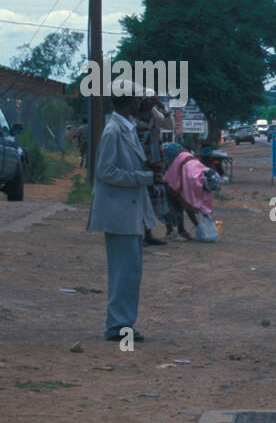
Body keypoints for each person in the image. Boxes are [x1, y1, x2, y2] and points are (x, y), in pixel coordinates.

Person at [86, 90, 159, 342]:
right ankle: (118, 325)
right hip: (119, 212)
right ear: (128, 102)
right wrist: (144, 177)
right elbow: (106, 172)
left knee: (128, 272)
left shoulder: (124, 128)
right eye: (137, 100)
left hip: (127, 211)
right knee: (124, 273)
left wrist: (145, 168)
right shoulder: (113, 131)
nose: (140, 104)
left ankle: (121, 323)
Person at [162, 143, 215, 238]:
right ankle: (170, 229)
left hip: (183, 163)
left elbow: (202, 204)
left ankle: (180, 229)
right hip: (175, 164)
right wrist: (198, 226)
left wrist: (206, 220)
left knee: (180, 201)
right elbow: (188, 203)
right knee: (172, 200)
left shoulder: (208, 181)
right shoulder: (194, 179)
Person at [136, 96, 168, 246]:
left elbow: (170, 125)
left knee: (150, 199)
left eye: (153, 101)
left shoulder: (154, 115)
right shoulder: (133, 118)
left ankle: (148, 233)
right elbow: (136, 144)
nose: (151, 103)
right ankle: (139, 234)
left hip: (154, 160)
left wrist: (163, 108)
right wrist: (149, 161)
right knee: (140, 198)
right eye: (148, 100)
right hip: (140, 163)